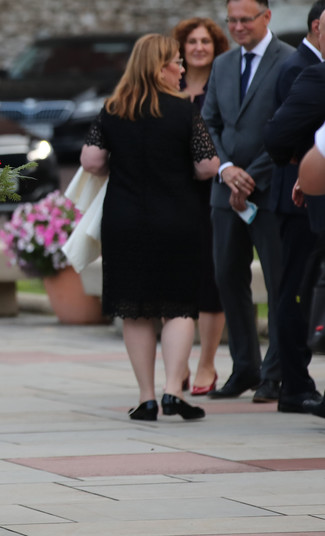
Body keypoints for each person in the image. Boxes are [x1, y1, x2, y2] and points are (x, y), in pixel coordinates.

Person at [80, 34, 220, 422]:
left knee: (135, 309)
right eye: (176, 61)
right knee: (178, 306)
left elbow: (91, 160)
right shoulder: (184, 111)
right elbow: (208, 166)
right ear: (158, 67)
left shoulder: (113, 109)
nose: (181, 68)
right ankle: (174, 390)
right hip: (178, 220)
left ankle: (146, 398)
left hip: (125, 220)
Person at [201, 0, 293, 402]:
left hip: (269, 191)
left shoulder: (289, 61)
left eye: (245, 19)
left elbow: (289, 125)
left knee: (278, 282)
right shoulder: (222, 65)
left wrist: (253, 173)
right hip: (226, 192)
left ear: (266, 18)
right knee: (227, 276)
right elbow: (208, 123)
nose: (237, 27)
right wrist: (226, 170)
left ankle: (276, 372)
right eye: (232, 20)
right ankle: (245, 368)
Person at [263, 2, 325, 413]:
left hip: (308, 189)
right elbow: (281, 133)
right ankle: (294, 383)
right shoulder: (304, 68)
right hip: (301, 197)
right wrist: (304, 165)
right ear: (318, 26)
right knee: (295, 292)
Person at [171, 17, 230, 397]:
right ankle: (178, 364)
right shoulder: (168, 85)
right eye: (191, 41)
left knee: (211, 277)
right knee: (174, 278)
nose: (198, 47)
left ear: (215, 46)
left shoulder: (223, 84)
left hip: (212, 190)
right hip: (172, 193)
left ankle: (207, 360)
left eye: (205, 41)